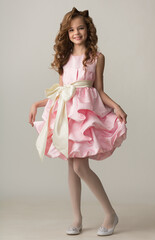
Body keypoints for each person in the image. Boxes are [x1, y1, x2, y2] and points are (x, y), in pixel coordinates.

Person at [29, 7, 127, 236]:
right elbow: (61, 91)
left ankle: (110, 214)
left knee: (80, 167)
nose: (76, 32)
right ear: (66, 33)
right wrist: (37, 104)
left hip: (84, 116)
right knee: (71, 168)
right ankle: (77, 218)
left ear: (88, 29)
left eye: (80, 27)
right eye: (71, 29)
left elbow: (99, 90)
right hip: (66, 115)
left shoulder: (96, 58)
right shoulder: (64, 59)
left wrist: (116, 106)